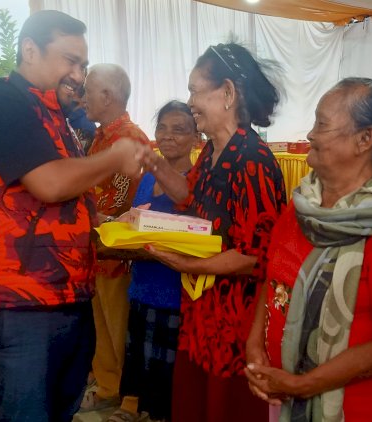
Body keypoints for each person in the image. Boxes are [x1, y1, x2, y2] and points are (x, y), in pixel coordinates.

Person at [0, 11, 149, 421]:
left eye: (83, 65)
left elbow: (73, 200)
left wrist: (114, 224)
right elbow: (49, 183)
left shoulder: (56, 119)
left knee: (61, 410)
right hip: (19, 301)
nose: (78, 76)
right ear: (30, 50)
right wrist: (115, 157)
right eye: (70, 61)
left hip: (69, 294)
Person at [243, 78, 372, 422]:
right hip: (285, 396)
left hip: (352, 408)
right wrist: (255, 349)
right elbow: (273, 282)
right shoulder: (302, 208)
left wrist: (304, 384)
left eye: (322, 124)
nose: (310, 134)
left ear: (364, 139)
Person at [141, 42, 287, 422]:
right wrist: (153, 163)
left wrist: (188, 264)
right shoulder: (211, 153)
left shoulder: (253, 159)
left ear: (227, 93)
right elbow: (189, 195)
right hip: (202, 310)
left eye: (194, 91)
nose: (190, 102)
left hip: (236, 322)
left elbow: (255, 256)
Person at [106, 101, 200, 422]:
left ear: (196, 138)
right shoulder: (146, 179)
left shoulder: (195, 183)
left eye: (179, 130)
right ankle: (136, 408)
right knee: (142, 364)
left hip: (176, 292)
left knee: (171, 381)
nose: (168, 136)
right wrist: (115, 222)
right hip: (143, 286)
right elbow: (137, 219)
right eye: (162, 128)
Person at [79, 63, 151, 413]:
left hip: (118, 250)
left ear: (107, 96)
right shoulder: (100, 136)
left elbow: (124, 194)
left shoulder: (129, 137)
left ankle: (131, 397)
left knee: (122, 328)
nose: (82, 98)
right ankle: (108, 386)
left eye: (88, 91)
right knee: (102, 326)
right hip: (98, 246)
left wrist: (92, 216)